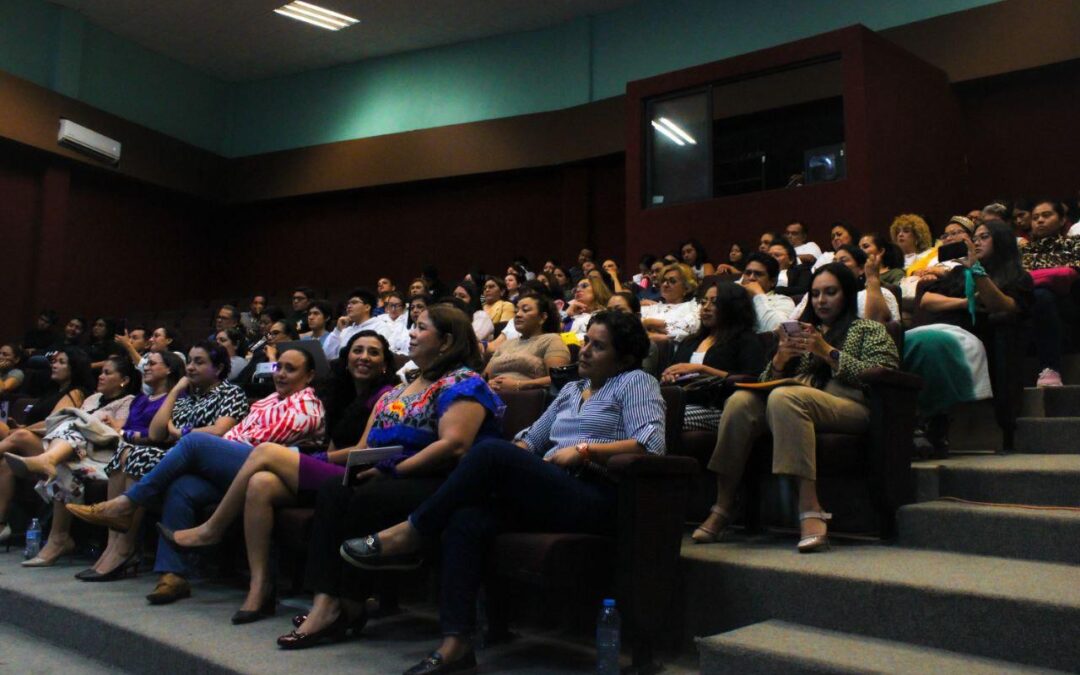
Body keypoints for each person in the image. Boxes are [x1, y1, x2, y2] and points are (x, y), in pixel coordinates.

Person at [340, 311, 664, 674]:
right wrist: (519, 460)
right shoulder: (572, 389)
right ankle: (456, 644)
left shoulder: (636, 382)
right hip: (552, 488)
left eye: (598, 346)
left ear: (624, 357)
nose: (584, 351)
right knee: (467, 518)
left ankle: (413, 530)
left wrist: (586, 450)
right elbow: (529, 439)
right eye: (585, 341)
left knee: (490, 451)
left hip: (598, 494)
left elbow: (650, 445)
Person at [272, 306, 503, 650]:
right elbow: (371, 443)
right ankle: (325, 602)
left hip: (442, 482)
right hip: (393, 474)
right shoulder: (405, 386)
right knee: (335, 489)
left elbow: (453, 446)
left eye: (421, 328)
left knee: (365, 496)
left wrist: (391, 470)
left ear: (447, 341)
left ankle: (348, 604)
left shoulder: (463, 382)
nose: (410, 333)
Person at [159, 332, 398, 622]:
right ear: (346, 358)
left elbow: (362, 450)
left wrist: (314, 458)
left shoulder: (385, 394)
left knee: (266, 452)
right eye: (357, 350)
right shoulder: (342, 394)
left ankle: (212, 529)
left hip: (355, 473)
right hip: (329, 470)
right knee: (260, 483)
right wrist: (317, 456)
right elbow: (334, 443)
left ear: (385, 363)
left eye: (373, 353)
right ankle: (261, 587)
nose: (364, 357)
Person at [67, 347, 324, 605]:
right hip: (236, 466)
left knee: (195, 442)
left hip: (268, 468)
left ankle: (126, 503)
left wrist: (210, 446)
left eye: (290, 369)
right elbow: (166, 433)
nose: (280, 374)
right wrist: (182, 400)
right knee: (182, 486)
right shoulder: (266, 401)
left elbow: (261, 440)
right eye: (278, 367)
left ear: (309, 375)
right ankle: (173, 574)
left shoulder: (308, 404)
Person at [693, 263, 899, 551]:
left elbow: (883, 374)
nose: (821, 301)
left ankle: (809, 506)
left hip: (850, 404)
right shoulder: (803, 331)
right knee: (740, 402)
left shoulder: (868, 329)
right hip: (796, 399)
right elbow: (766, 382)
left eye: (830, 292)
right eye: (815, 294)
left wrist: (827, 352)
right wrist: (780, 359)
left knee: (786, 397)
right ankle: (724, 505)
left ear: (847, 294)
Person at [85, 344, 247, 582]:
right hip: (177, 460)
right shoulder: (186, 395)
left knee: (139, 455)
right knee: (125, 451)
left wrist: (181, 432)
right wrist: (175, 392)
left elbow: (219, 431)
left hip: (208, 462)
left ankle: (125, 545)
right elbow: (157, 432)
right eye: (189, 361)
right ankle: (113, 545)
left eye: (199, 362)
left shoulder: (231, 392)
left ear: (219, 367)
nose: (190, 367)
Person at [5, 355, 140, 567]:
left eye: (108, 373)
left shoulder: (128, 401)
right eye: (101, 372)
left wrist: (105, 422)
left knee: (69, 444)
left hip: (101, 459)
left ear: (123, 379)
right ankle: (58, 538)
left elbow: (116, 435)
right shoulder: (92, 399)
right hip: (75, 454)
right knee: (64, 460)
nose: (101, 376)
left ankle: (58, 537)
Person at [909, 220, 1031, 450]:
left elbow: (1003, 305)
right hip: (941, 328)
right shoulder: (957, 272)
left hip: (974, 336)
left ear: (1002, 240)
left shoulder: (1017, 276)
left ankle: (928, 422)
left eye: (984, 237)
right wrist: (966, 302)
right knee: (912, 339)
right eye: (975, 237)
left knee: (929, 343)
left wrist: (977, 272)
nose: (976, 241)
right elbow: (926, 300)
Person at [0, 348, 94, 544]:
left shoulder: (77, 392)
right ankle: (1, 523)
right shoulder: (51, 390)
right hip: (35, 441)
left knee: (20, 436)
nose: (54, 364)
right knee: (5, 465)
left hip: (57, 448)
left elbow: (54, 423)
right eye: (54, 361)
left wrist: (22, 430)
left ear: (74, 368)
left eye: (61, 362)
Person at [660, 281, 765, 430]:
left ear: (733, 307)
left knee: (663, 417)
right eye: (703, 302)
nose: (706, 307)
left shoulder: (746, 340)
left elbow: (752, 380)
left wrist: (703, 370)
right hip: (683, 402)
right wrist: (668, 376)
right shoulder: (690, 341)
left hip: (719, 408)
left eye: (714, 302)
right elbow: (672, 371)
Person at [1018, 199, 1080, 386]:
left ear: (1062, 220)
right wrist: (1049, 276)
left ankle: (1051, 368)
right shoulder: (1023, 251)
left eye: (1047, 215)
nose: (1040, 221)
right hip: (1027, 303)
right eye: (1036, 217)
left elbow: (1068, 276)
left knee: (1043, 295)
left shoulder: (1073, 244)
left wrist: (1032, 279)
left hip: (1068, 302)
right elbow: (1015, 281)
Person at [789, 245, 899, 324]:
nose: (821, 300)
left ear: (861, 268)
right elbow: (792, 324)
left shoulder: (878, 293)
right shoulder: (814, 295)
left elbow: (877, 328)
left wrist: (872, 279)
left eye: (843, 261)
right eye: (834, 260)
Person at [484, 294, 570, 393]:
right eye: (516, 311)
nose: (518, 315)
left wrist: (519, 385)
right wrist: (488, 384)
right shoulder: (505, 344)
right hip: (491, 397)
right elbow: (485, 377)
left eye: (525, 310)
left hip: (528, 401)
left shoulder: (552, 340)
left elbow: (559, 379)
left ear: (542, 317)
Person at [324, 288, 394, 360]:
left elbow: (381, 356)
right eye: (348, 303)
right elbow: (328, 355)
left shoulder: (380, 327)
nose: (349, 306)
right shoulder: (346, 330)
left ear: (367, 307)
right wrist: (338, 330)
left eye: (354, 302)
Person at [641, 262, 701, 343]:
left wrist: (649, 322)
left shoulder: (693, 308)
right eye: (663, 280)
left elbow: (688, 330)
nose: (665, 284)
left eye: (672, 281)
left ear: (686, 288)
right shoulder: (653, 307)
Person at [606, 292, 661, 375]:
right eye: (609, 311)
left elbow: (638, 381)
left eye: (620, 310)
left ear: (636, 316)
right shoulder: (598, 344)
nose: (613, 316)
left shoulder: (647, 347)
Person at [740, 252, 796, 333]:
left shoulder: (783, 301)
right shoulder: (733, 298)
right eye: (748, 273)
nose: (751, 278)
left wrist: (758, 295)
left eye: (758, 274)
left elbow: (781, 330)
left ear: (772, 281)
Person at [564, 275, 612, 342]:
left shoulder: (606, 315)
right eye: (575, 289)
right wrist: (566, 314)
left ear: (597, 289)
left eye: (584, 286)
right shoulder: (569, 316)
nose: (577, 290)